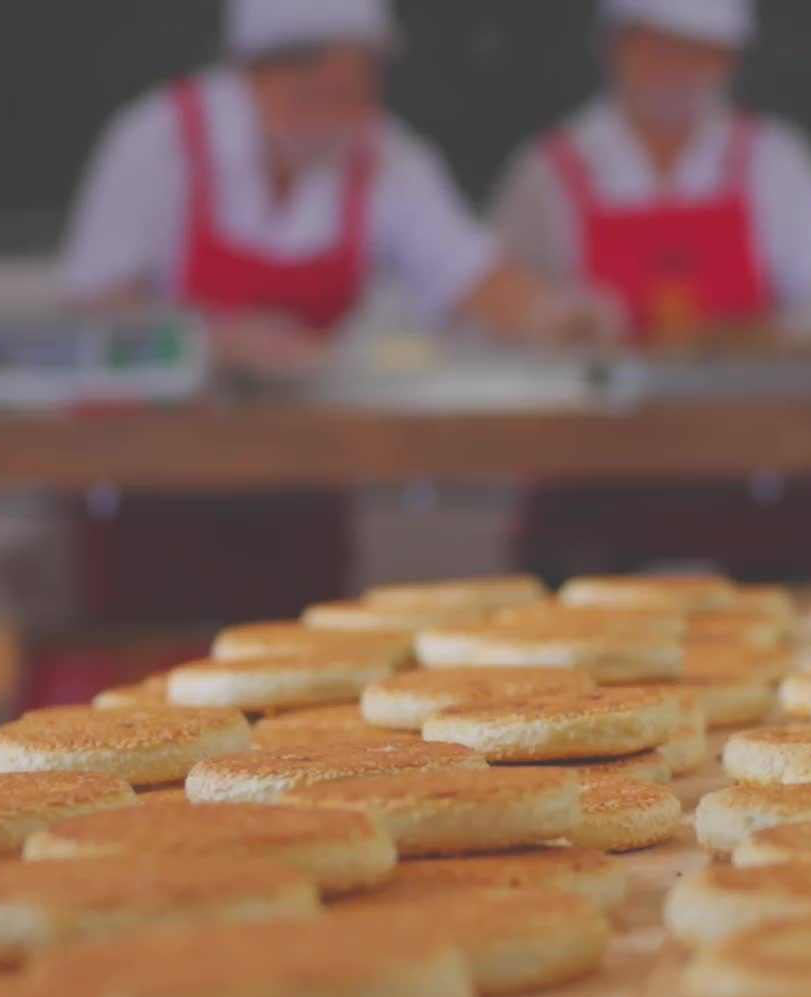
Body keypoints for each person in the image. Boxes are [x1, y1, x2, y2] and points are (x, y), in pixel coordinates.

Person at [53, 0, 595, 635]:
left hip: (299, 490)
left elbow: (473, 277)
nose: (337, 112)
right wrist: (216, 341)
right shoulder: (160, 140)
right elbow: (92, 315)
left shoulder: (380, 155)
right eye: (315, 91)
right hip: (150, 492)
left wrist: (556, 315)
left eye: (354, 89)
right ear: (255, 74)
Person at [489, 0, 811, 584]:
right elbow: (489, 310)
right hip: (595, 488)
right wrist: (553, 322)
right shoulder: (550, 170)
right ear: (618, 45)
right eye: (658, 46)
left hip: (754, 487)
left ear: (728, 61)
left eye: (698, 53)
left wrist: (785, 340)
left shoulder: (772, 159)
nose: (676, 68)